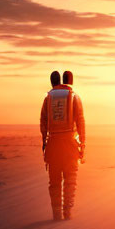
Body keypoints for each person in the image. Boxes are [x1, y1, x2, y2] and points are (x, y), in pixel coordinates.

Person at [39, 69, 86, 220]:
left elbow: (43, 123)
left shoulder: (48, 98)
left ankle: (56, 213)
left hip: (53, 144)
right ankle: (68, 212)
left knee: (54, 182)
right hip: (70, 144)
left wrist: (44, 144)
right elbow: (80, 122)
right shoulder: (74, 97)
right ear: (71, 81)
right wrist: (82, 144)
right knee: (70, 179)